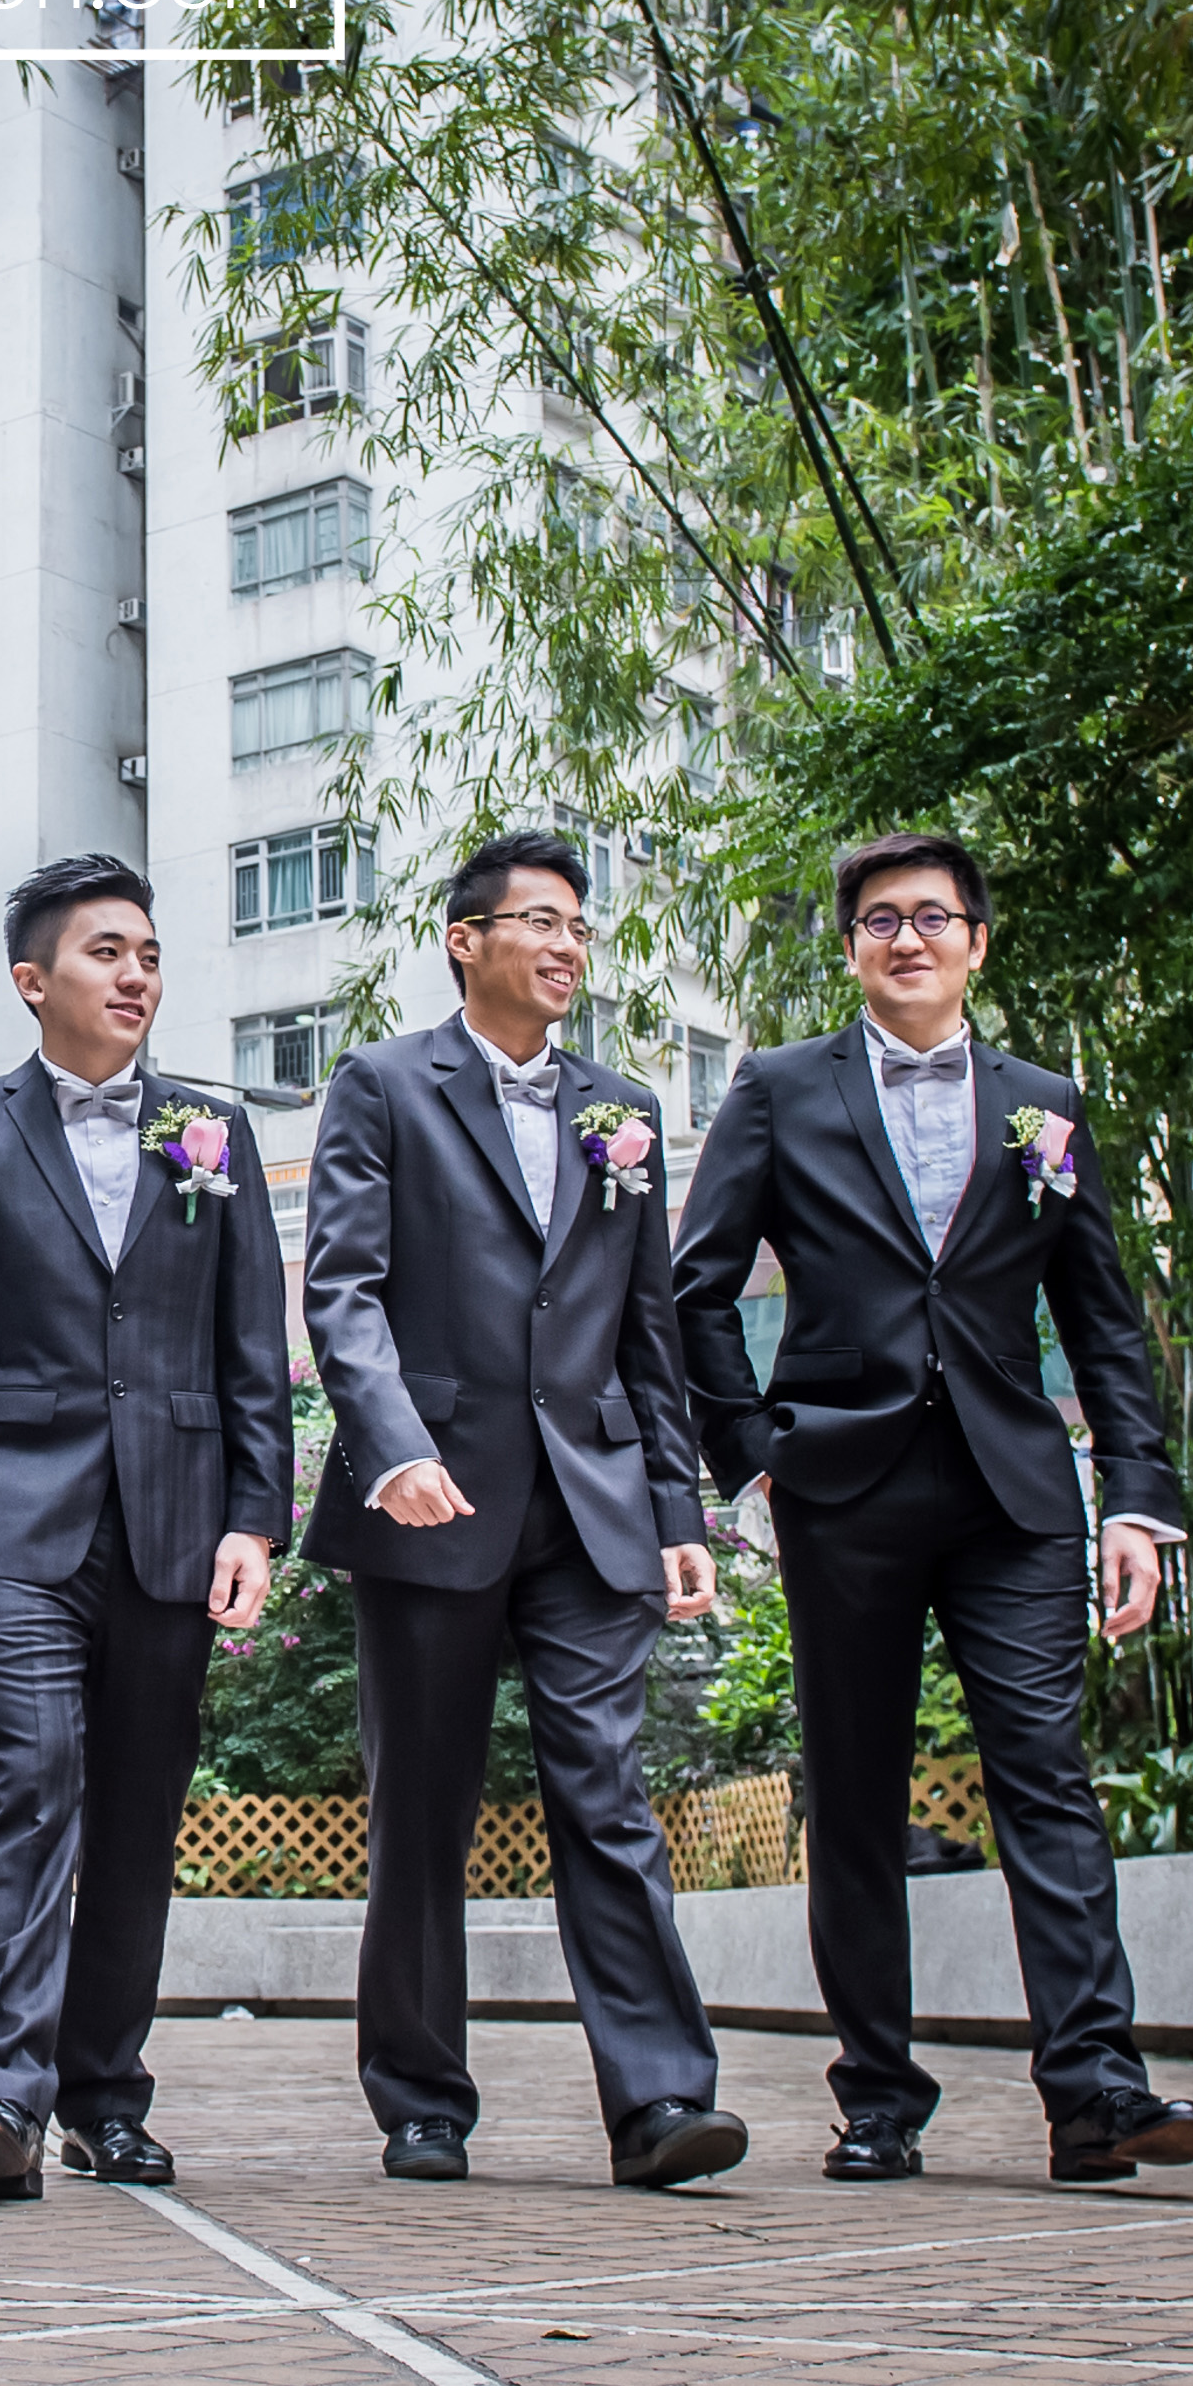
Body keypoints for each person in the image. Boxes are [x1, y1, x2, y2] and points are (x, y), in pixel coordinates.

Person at [671, 831, 1193, 2186]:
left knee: (1046, 1775)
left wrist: (1137, 1498)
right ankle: (878, 2101)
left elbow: (1102, 1318)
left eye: (931, 917)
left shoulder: (1047, 1104)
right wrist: (752, 1459)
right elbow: (697, 1287)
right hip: (840, 1485)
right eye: (879, 920)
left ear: (977, 939)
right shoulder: (779, 1088)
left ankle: (1096, 2091)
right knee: (855, 1796)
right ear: (852, 947)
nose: (906, 938)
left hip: (1012, 1489)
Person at [299, 828, 738, 2190]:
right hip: (431, 1499)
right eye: (539, 921)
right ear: (466, 940)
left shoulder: (623, 1109)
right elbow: (344, 1290)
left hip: (592, 1505)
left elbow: (649, 1327)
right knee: (422, 1804)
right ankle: (422, 2097)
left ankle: (661, 2100)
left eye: (578, 928)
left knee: (605, 1788)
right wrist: (390, 1447)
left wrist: (679, 1512)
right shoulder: (384, 1086)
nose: (565, 946)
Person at [0, 856, 291, 2199]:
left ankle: (106, 2097)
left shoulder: (212, 1132)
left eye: (149, 956)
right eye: (105, 953)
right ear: (32, 980)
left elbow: (251, 1344)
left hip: (176, 1523)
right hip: (12, 1517)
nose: (135, 977)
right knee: (32, 1780)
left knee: (136, 1813)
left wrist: (256, 1518)